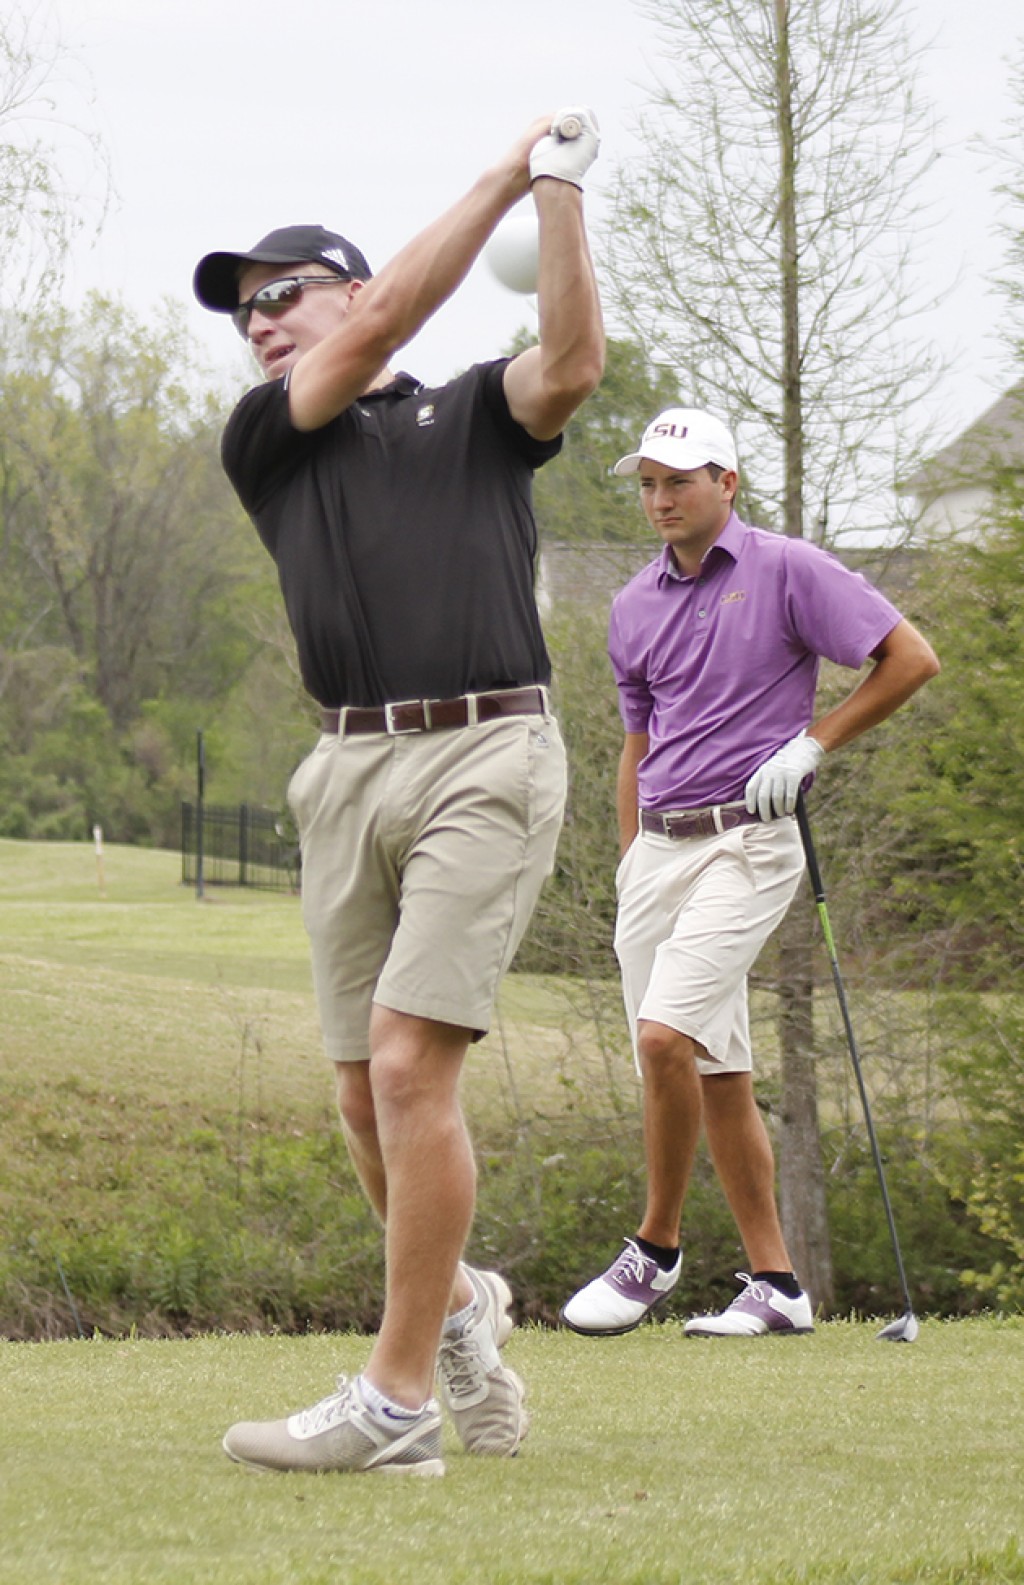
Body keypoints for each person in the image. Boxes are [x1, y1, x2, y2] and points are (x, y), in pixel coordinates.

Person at [192, 109, 603, 1475]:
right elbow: (364, 346)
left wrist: (553, 195)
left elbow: (576, 362)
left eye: (281, 294)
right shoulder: (271, 434)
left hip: (488, 748)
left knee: (416, 1065)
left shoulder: (473, 408)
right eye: (242, 308)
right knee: (366, 1099)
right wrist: (500, 169)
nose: (258, 322)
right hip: (345, 766)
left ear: (358, 290)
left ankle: (393, 1400)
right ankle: (464, 1317)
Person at [560, 407, 939, 1340]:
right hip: (660, 847)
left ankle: (655, 1247)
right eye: (647, 482)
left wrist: (813, 744)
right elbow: (636, 741)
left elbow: (911, 657)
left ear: (727, 484)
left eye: (679, 481)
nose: (660, 498)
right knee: (715, 1067)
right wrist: (629, 858)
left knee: (660, 1040)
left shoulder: (788, 568)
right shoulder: (631, 602)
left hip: (749, 842)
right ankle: (777, 1284)